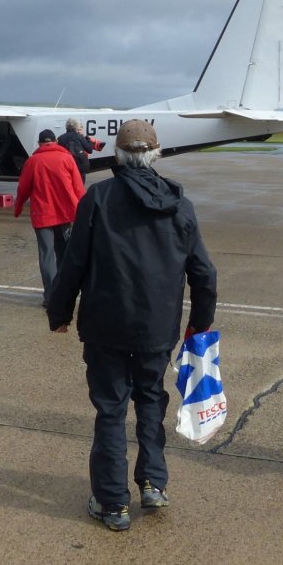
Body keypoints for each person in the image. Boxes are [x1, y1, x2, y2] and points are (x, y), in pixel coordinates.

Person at [48, 120, 217, 531]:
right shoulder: (180, 205)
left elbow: (73, 264)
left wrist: (59, 313)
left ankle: (112, 503)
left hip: (106, 325)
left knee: (110, 411)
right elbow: (205, 274)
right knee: (150, 402)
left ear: (118, 156)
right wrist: (199, 325)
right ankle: (153, 484)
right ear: (154, 154)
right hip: (157, 330)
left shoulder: (99, 198)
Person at [14, 129, 85, 307]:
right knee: (65, 253)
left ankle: (51, 295)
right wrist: (84, 210)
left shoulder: (33, 161)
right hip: (65, 213)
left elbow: (23, 188)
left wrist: (18, 207)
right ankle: (65, 292)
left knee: (46, 254)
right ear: (55, 142)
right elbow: (78, 186)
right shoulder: (67, 158)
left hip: (43, 214)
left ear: (39, 144)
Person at [56, 117, 104, 183]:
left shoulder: (60, 138)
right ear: (76, 127)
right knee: (80, 186)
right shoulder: (79, 137)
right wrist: (87, 139)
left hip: (65, 166)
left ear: (66, 126)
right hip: (79, 166)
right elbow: (90, 150)